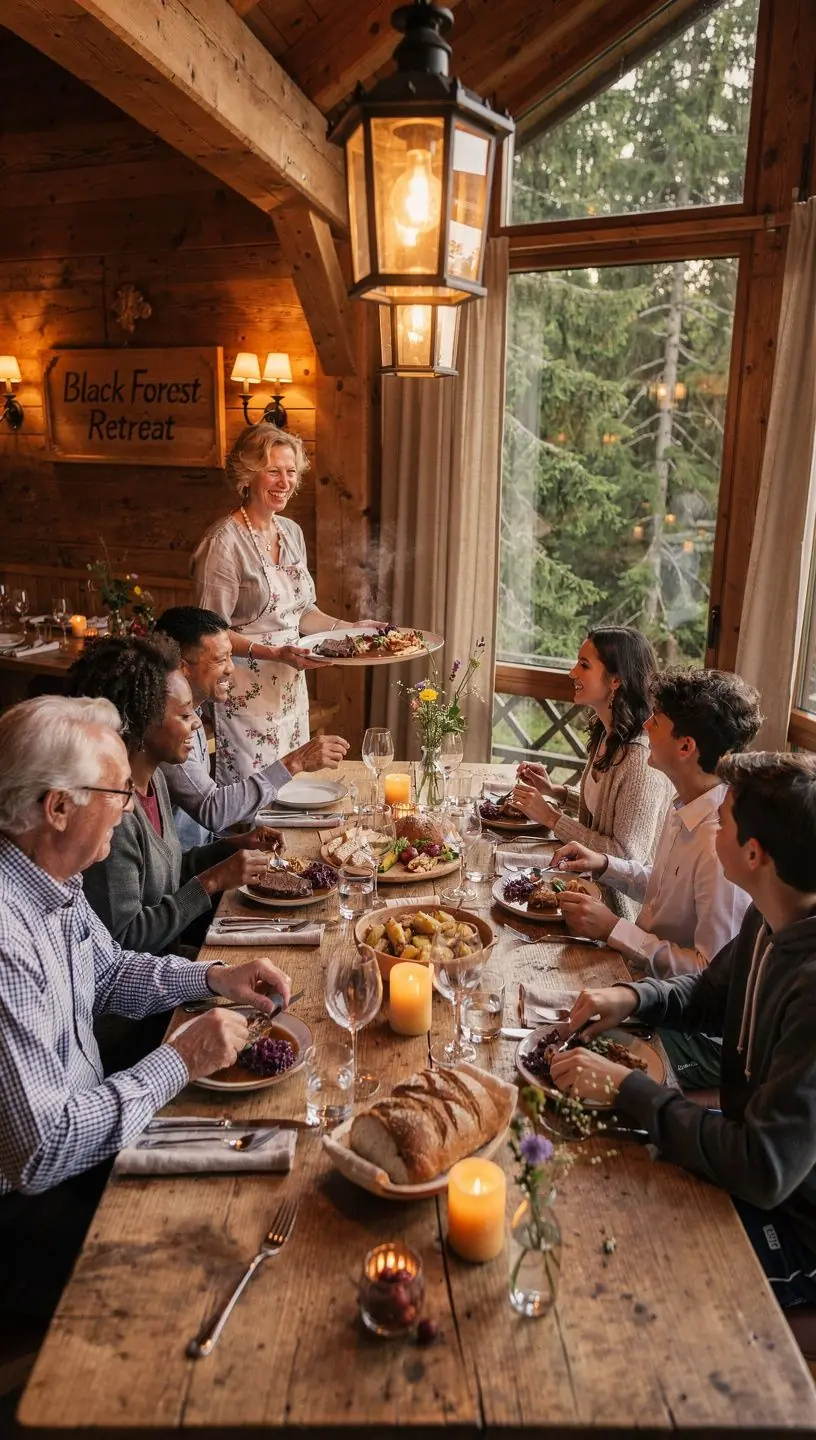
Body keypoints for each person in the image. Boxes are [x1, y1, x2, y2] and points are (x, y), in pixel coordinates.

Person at [0, 695, 290, 1323]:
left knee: (272, 1146)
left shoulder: (52, 876)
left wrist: (213, 975)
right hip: (33, 1212)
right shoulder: (6, 933)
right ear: (57, 807)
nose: (129, 807)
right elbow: (42, 1152)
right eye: (115, 792)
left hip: (88, 1127)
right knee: (251, 1233)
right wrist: (178, 1059)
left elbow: (107, 971)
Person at [550, 752, 816, 1310]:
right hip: (743, 1150)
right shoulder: (769, 916)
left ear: (753, 853)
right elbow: (708, 994)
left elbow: (764, 1167)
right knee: (584, 1176)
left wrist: (628, 1088)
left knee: (612, 1267)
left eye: (725, 818)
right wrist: (631, 996)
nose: (714, 822)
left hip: (797, 1225)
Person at [552, 668, 763, 1089]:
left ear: (686, 746)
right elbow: (665, 889)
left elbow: (706, 974)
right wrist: (605, 865)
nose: (645, 724)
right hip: (642, 986)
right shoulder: (683, 802)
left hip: (692, 1030)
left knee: (568, 1050)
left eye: (657, 720)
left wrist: (615, 929)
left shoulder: (719, 842)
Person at [68, 635, 282, 953]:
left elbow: (165, 875)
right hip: (144, 985)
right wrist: (212, 882)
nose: (197, 723)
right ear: (142, 722)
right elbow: (125, 940)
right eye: (184, 715)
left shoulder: (156, 782)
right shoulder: (115, 814)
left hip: (171, 959)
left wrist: (231, 848)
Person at [191, 423, 373, 783]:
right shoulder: (223, 543)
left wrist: (353, 630)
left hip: (290, 692)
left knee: (294, 791)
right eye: (273, 471)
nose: (284, 481)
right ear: (247, 475)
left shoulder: (291, 533)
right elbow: (209, 632)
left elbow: (303, 612)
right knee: (253, 803)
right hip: (243, 695)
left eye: (291, 472)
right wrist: (275, 653)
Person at [155, 605, 350, 848]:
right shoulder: (166, 727)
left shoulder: (193, 713)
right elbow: (211, 810)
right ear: (184, 667)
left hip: (203, 855)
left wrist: (236, 844)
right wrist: (295, 762)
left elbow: (202, 831)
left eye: (230, 656)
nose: (231, 668)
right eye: (219, 660)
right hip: (185, 875)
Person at [512, 627, 673, 919]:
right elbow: (607, 811)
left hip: (618, 913)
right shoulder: (607, 734)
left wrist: (551, 817)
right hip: (585, 889)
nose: (573, 673)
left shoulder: (640, 761)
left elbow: (623, 857)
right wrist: (555, 792)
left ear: (616, 680)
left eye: (584, 665)